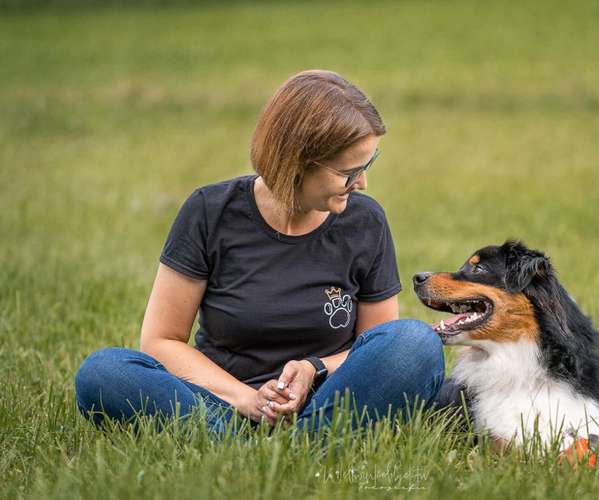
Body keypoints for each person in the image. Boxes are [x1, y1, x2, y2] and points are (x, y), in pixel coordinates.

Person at [74, 70, 447, 435]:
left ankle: (306, 440)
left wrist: (313, 369)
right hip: (220, 401)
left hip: (327, 401)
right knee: (103, 372)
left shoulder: (365, 222)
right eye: (349, 172)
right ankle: (235, 437)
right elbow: (162, 341)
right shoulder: (210, 211)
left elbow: (378, 346)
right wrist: (249, 400)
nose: (362, 183)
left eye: (367, 165)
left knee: (415, 342)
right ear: (298, 162)